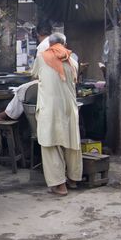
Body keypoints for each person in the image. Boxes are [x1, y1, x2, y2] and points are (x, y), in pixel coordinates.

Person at [31, 33, 81, 196]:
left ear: (49, 44)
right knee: (72, 142)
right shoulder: (73, 61)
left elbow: (35, 75)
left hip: (50, 108)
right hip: (69, 107)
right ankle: (73, 179)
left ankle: (60, 185)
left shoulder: (41, 58)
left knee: (50, 144)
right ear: (64, 44)